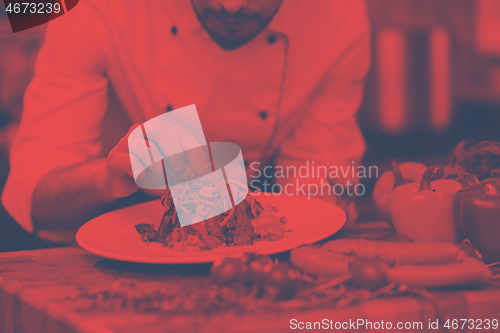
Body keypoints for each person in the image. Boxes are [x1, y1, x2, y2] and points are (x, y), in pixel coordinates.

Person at [2, 0, 370, 239]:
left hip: (257, 224)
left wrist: (323, 203)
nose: (231, 6)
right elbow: (34, 196)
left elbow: (314, 179)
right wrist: (107, 175)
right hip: (115, 221)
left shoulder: (338, 16)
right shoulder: (94, 6)